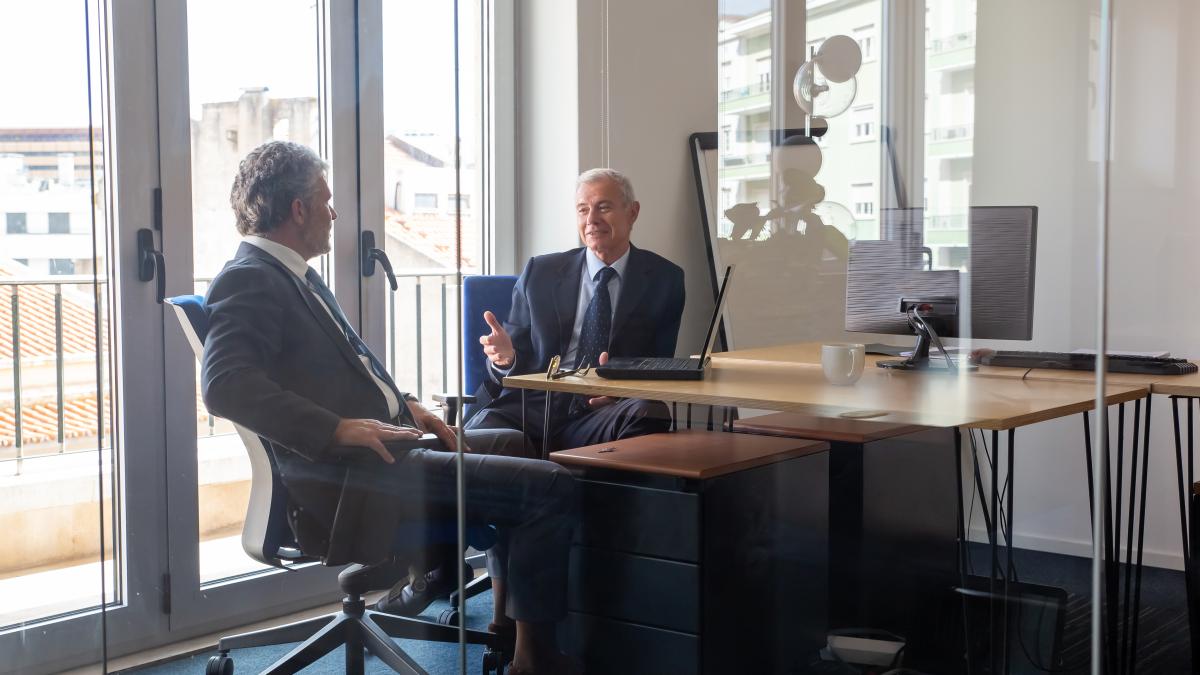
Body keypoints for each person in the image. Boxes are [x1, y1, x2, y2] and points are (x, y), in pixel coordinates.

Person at [201, 140, 577, 674]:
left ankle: (503, 625)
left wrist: (408, 407)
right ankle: (533, 662)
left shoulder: (290, 275)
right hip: (352, 476)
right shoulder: (251, 278)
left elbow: (339, 375)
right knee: (550, 486)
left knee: (517, 443)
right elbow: (225, 385)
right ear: (298, 210)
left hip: (383, 452)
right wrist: (338, 429)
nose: (334, 214)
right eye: (326, 201)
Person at [464, 168, 686, 452]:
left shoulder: (664, 279)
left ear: (632, 212)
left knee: (648, 411)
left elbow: (659, 365)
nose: (591, 219)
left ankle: (573, 480)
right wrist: (505, 359)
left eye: (603, 207)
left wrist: (619, 395)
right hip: (532, 408)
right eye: (583, 210)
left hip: (600, 411)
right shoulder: (540, 272)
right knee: (473, 438)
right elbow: (512, 362)